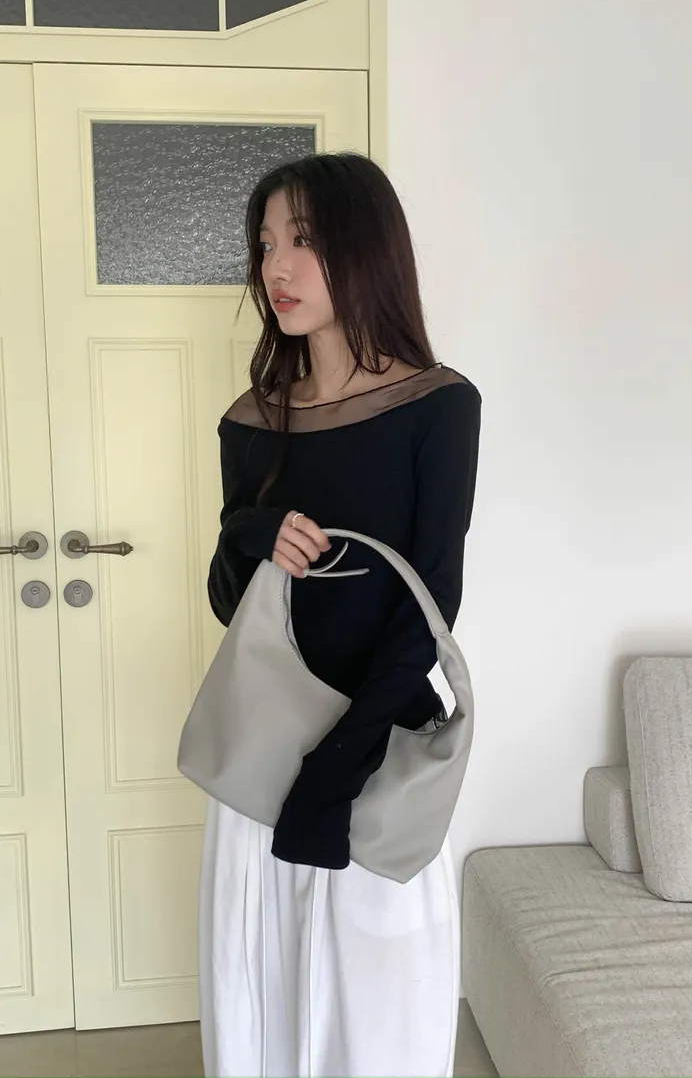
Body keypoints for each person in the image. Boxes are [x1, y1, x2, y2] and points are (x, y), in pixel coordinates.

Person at [199, 152, 481, 1078]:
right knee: (262, 1010)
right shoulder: (252, 420)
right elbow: (228, 600)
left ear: (366, 249)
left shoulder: (439, 407)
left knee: (376, 1025)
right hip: (263, 762)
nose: (275, 267)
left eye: (304, 239)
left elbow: (432, 597)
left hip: (373, 759)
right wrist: (253, 533)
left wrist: (338, 768)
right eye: (265, 243)